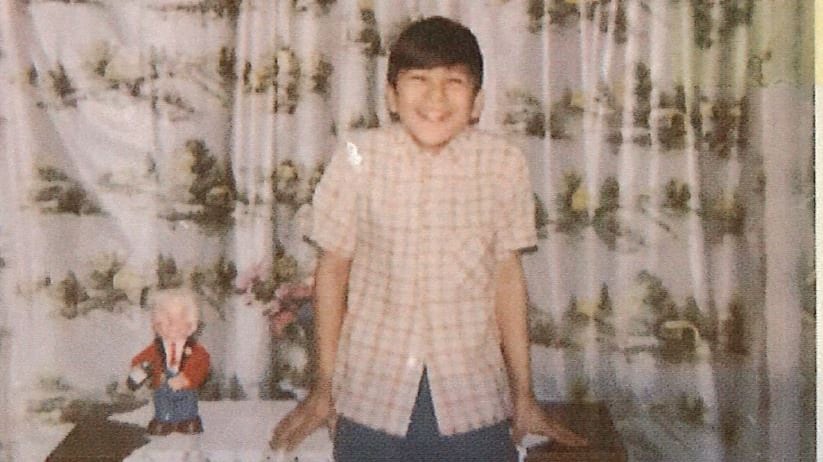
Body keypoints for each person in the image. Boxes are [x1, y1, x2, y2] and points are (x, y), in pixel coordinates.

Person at [272, 15, 586, 461]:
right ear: (392, 97)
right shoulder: (358, 157)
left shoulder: (503, 164)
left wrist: (524, 396)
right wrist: (323, 390)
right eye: (418, 80)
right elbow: (332, 271)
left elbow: (507, 279)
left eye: (454, 82)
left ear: (477, 102)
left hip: (472, 399)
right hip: (370, 395)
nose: (436, 97)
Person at [128, 288, 210, 435]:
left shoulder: (195, 350)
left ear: (191, 325)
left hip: (186, 387)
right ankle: (163, 420)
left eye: (174, 321)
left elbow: (202, 364)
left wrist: (187, 378)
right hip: (162, 386)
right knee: (162, 404)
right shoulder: (156, 348)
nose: (168, 326)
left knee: (187, 405)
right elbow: (141, 359)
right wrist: (139, 368)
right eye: (161, 323)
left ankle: (188, 420)